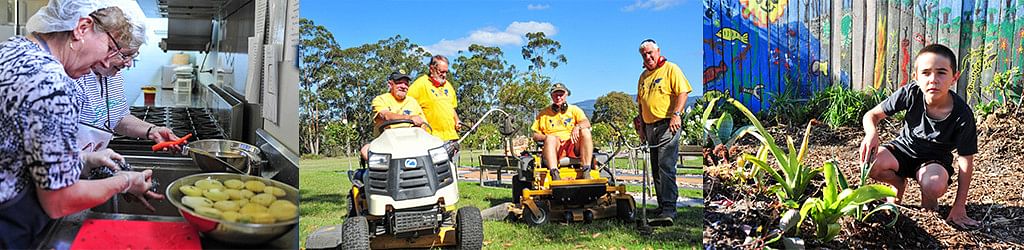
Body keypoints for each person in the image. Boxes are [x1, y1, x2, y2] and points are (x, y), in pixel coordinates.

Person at [0, 1, 159, 248]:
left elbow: (15, 148)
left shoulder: (12, 49)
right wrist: (126, 181)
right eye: (110, 47)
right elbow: (59, 201)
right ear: (82, 28)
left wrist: (81, 160)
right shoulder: (51, 82)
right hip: (9, 224)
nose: (107, 62)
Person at [860, 44, 979, 228]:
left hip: (934, 160)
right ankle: (898, 184)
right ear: (915, 77)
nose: (933, 80)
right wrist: (871, 133)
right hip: (903, 150)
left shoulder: (962, 115)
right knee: (870, 163)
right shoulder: (911, 93)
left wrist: (959, 205)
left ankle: (929, 202)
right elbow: (871, 115)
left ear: (954, 77)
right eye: (926, 73)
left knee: (933, 188)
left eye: (941, 72)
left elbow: (966, 161)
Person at [70, 3, 181, 153]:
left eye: (133, 56)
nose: (128, 63)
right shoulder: (72, 76)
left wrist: (152, 130)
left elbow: (119, 118)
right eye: (125, 55)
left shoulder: (113, 76)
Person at [633, 39, 692, 225]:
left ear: (658, 51)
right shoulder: (643, 77)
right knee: (656, 169)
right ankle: (661, 206)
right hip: (650, 127)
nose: (648, 56)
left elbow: (683, 93)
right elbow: (641, 104)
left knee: (666, 166)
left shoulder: (671, 68)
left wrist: (676, 114)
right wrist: (641, 128)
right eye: (644, 54)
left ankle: (669, 209)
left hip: (668, 124)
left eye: (650, 52)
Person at [530, 83, 593, 180]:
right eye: (555, 94)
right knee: (550, 138)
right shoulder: (544, 114)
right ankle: (555, 174)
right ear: (551, 96)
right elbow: (535, 135)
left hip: (572, 146)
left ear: (566, 94)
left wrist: (577, 127)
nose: (558, 97)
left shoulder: (574, 110)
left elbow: (586, 122)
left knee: (585, 131)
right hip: (555, 148)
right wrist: (547, 138)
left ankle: (586, 171)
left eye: (561, 94)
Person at [359, 71, 427, 159]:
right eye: (399, 83)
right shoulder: (380, 99)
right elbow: (385, 115)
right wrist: (409, 118)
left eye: (406, 84)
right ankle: (379, 172)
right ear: (390, 85)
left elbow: (424, 125)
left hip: (411, 143)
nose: (403, 86)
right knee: (365, 150)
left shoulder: (413, 102)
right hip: (386, 145)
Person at [409, 55, 461, 139]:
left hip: (452, 137)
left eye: (446, 72)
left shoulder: (448, 85)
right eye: (441, 71)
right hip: (432, 138)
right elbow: (406, 103)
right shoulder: (421, 84)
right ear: (431, 69)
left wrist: (457, 120)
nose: (444, 75)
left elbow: (451, 107)